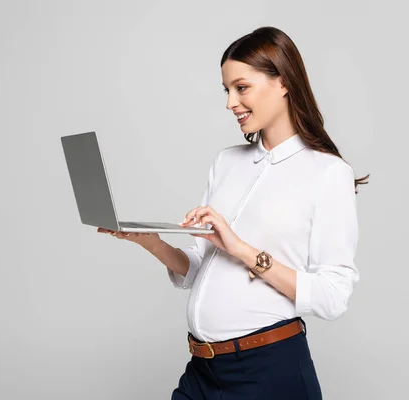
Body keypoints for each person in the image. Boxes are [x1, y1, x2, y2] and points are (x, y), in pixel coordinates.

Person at [98, 26, 369, 399]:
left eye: (241, 88)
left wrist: (240, 248)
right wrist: (152, 242)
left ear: (284, 82)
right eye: (227, 90)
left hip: (269, 373)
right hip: (203, 371)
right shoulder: (226, 162)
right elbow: (198, 269)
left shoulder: (327, 174)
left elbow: (333, 296)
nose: (230, 103)